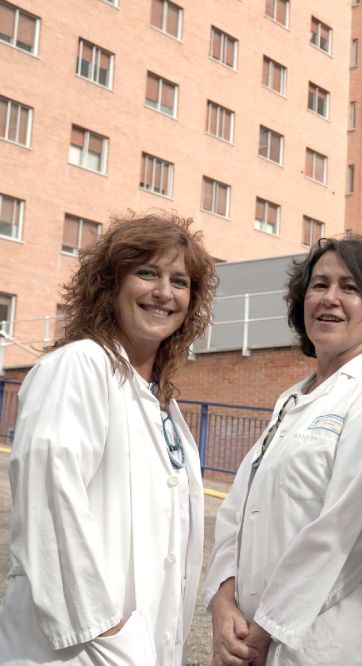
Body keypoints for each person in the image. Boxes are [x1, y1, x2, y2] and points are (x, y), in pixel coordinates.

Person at [0, 213, 217, 665]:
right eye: (147, 273)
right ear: (109, 286)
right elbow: (50, 500)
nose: (164, 292)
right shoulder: (79, 364)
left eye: (179, 281)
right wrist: (103, 629)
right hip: (84, 647)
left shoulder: (160, 401)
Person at [204, 236, 362, 666]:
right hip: (254, 632)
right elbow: (238, 510)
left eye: (350, 288)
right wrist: (224, 600)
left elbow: (347, 528)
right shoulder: (292, 398)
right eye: (319, 284)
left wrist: (265, 629)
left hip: (332, 641)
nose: (329, 298)